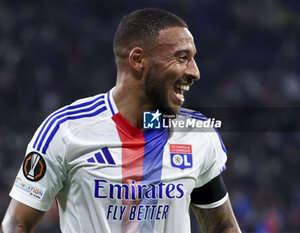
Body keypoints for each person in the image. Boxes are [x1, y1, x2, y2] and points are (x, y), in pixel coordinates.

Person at [1, 8, 241, 233]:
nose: (195, 72)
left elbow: (223, 226)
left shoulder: (196, 134)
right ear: (137, 59)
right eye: (182, 58)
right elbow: (16, 224)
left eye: (193, 59)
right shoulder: (65, 129)